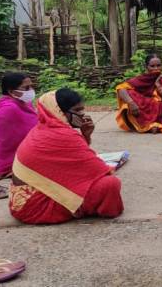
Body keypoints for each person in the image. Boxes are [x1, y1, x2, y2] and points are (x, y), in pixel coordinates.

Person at [9, 89, 124, 225]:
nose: (82, 114)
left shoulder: (43, 128)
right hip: (36, 207)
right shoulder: (63, 135)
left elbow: (73, 163)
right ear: (60, 112)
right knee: (110, 184)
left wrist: (85, 135)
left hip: (20, 201)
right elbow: (99, 170)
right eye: (77, 110)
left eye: (82, 109)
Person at [0, 73, 38, 183]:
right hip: (19, 157)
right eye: (26, 88)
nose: (30, 90)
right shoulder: (8, 109)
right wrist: (0, 169)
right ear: (11, 91)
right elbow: (2, 142)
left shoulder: (25, 103)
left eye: (31, 86)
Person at [115, 53, 162, 133]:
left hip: (160, 109)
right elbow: (120, 88)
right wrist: (131, 103)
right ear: (146, 67)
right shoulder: (141, 79)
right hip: (143, 109)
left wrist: (158, 86)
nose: (156, 68)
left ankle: (156, 125)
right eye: (152, 66)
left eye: (158, 65)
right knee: (129, 93)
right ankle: (149, 125)